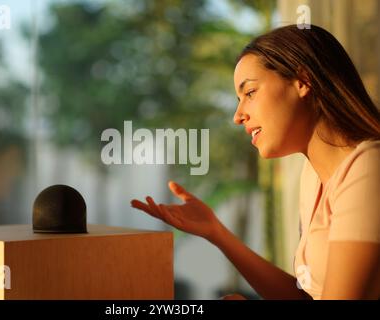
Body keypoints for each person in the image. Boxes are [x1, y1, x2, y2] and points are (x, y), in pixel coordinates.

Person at [130, 24, 380, 300]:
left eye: (249, 93)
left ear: (303, 81)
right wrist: (216, 232)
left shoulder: (368, 169)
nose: (237, 116)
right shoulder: (312, 177)